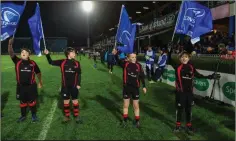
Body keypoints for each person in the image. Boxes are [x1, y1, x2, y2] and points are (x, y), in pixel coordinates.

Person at [173, 51, 220, 134]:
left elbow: (199, 75)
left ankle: (189, 126)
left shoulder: (191, 67)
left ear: (189, 58)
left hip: (189, 94)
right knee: (180, 110)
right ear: (180, 58)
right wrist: (169, 51)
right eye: (182, 57)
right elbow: (169, 60)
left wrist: (210, 77)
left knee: (189, 109)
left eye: (186, 57)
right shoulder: (177, 67)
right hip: (180, 93)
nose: (184, 58)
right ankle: (178, 126)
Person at [8, 38, 43, 123]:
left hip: (31, 86)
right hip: (20, 86)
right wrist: (9, 45)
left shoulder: (33, 63)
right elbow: (11, 53)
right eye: (22, 52)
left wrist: (40, 82)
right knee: (22, 101)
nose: (23, 53)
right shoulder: (17, 61)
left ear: (28, 55)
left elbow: (38, 72)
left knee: (32, 102)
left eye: (25, 52)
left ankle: (34, 115)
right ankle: (23, 116)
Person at [44, 47, 82, 123]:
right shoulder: (62, 62)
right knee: (66, 101)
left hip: (74, 86)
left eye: (74, 52)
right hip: (65, 86)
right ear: (68, 54)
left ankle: (76, 116)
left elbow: (79, 74)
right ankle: (67, 116)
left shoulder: (77, 63)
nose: (75, 54)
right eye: (73, 52)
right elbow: (50, 62)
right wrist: (47, 54)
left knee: (75, 101)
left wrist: (78, 84)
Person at [121, 53, 147, 128]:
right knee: (126, 105)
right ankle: (124, 121)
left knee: (136, 106)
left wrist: (144, 86)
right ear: (128, 58)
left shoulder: (138, 65)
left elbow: (142, 76)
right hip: (127, 88)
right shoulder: (125, 64)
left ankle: (137, 121)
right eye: (132, 57)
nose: (134, 58)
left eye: (135, 57)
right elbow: (117, 60)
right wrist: (115, 54)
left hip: (135, 88)